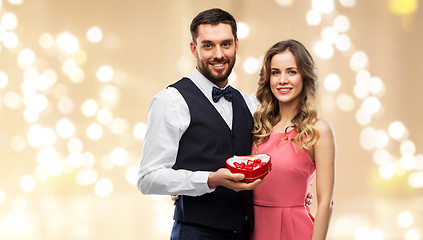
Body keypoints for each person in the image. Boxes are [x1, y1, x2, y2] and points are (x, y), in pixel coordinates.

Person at [137, 8, 262, 240]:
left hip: (247, 233)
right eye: (208, 45)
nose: (218, 54)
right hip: (195, 233)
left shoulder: (249, 103)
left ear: (236, 45)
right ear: (194, 49)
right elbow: (148, 178)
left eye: (225, 44)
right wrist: (208, 179)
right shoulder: (171, 100)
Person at [251, 39, 336, 240]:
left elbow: (326, 202)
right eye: (275, 72)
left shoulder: (318, 130)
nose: (282, 80)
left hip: (295, 230)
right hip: (251, 228)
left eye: (291, 71)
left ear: (304, 77)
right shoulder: (256, 126)